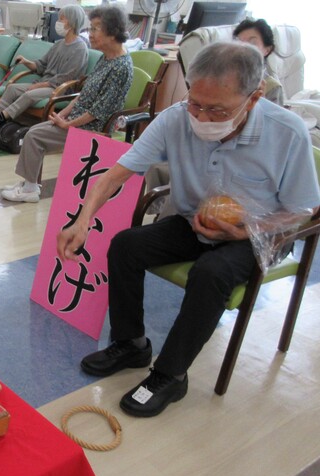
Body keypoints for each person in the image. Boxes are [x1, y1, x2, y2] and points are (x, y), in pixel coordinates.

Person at [57, 41, 320, 417]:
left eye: (218, 109)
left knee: (210, 273)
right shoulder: (176, 118)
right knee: (126, 245)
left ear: (255, 96)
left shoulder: (287, 132)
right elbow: (118, 172)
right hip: (192, 221)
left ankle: (170, 374)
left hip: (256, 235)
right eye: (196, 102)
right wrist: (81, 220)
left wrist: (245, 230)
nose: (203, 117)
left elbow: (302, 209)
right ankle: (131, 342)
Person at [0, 4, 133, 203]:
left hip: (93, 126)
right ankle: (29, 184)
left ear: (112, 32)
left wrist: (68, 124)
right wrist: (63, 115)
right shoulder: (107, 59)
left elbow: (99, 111)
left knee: (34, 135)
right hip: (78, 118)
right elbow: (84, 94)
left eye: (95, 29)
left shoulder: (121, 67)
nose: (90, 34)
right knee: (34, 133)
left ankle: (30, 189)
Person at [0, 4, 89, 132]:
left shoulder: (80, 48)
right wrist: (26, 61)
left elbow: (66, 78)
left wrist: (39, 85)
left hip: (61, 89)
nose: (58, 22)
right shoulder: (58, 44)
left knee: (29, 95)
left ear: (72, 22)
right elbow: (41, 65)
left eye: (62, 19)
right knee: (12, 88)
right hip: (46, 84)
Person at [233, 18, 284, 105]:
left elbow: (274, 118)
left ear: (267, 50)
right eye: (239, 42)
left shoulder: (272, 87)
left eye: (252, 43)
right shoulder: (222, 76)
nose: (243, 47)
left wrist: (261, 101)